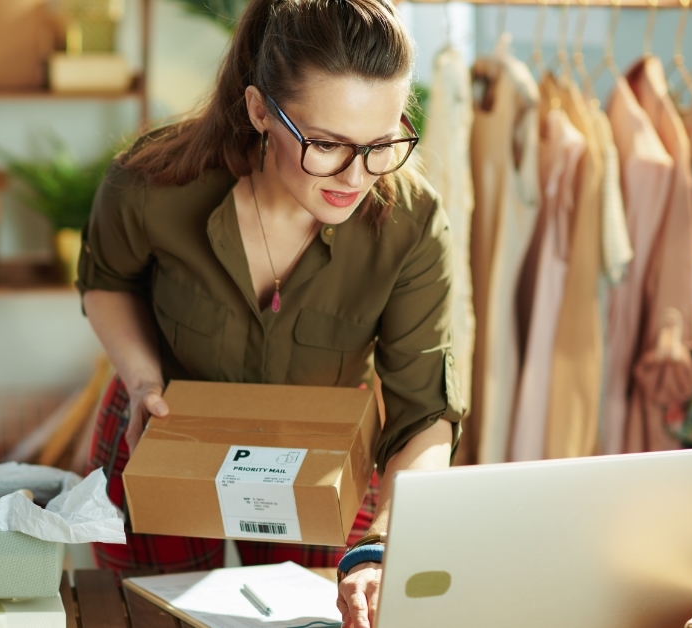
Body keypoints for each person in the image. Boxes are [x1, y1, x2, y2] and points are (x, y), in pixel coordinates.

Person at [77, 0, 464, 624]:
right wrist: (142, 378)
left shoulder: (411, 223)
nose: (356, 175)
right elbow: (106, 281)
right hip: (162, 431)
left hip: (324, 460)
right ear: (261, 110)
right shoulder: (154, 183)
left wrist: (383, 542)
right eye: (328, 144)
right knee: (145, 616)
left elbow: (424, 412)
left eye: (382, 143)